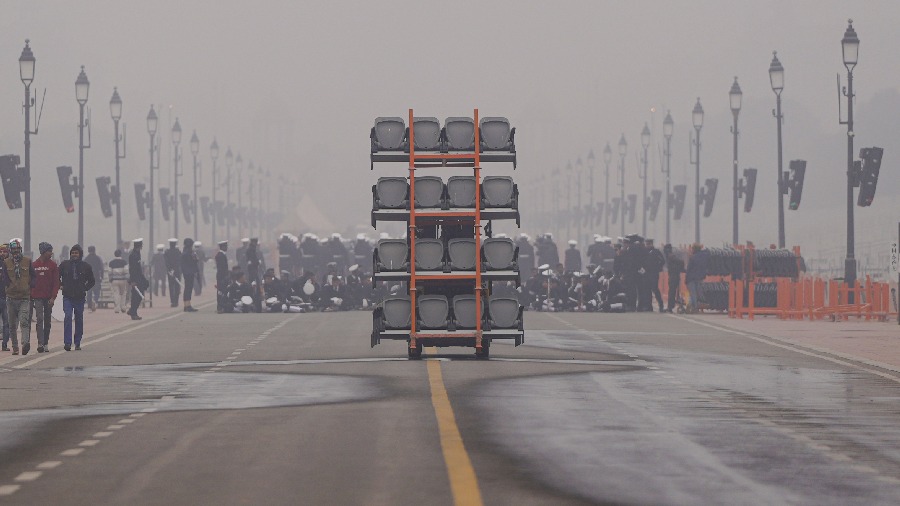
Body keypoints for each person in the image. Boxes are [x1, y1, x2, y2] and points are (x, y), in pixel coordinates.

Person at [58, 244, 95, 351]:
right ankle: (67, 342)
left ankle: (77, 342)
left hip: (79, 297)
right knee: (68, 317)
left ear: (80, 254)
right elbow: (56, 275)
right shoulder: (64, 265)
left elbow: (92, 281)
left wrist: (85, 288)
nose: (74, 255)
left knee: (79, 319)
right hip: (67, 296)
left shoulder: (86, 266)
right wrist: (60, 284)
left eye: (76, 253)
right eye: (72, 253)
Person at [2, 239, 35, 355]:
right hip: (11, 297)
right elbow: (5, 277)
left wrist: (29, 285)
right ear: (10, 251)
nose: (15, 252)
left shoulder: (27, 261)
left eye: (17, 249)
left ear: (20, 249)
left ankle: (25, 343)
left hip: (24, 297)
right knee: (12, 325)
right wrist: (9, 285)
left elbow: (33, 276)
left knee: (24, 321)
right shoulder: (6, 262)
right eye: (13, 249)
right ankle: (15, 346)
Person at [31, 242, 60, 353]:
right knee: (40, 319)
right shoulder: (34, 265)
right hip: (37, 297)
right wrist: (31, 294)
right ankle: (40, 343)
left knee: (47, 320)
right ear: (43, 252)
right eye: (49, 251)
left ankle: (46, 342)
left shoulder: (53, 265)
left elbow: (55, 283)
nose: (51, 253)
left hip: (48, 297)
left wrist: (53, 297)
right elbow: (31, 282)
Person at [685, 243, 710, 313]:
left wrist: (686, 280)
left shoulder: (692, 258)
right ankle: (690, 306)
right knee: (697, 293)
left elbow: (689, 269)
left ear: (694, 249)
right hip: (700, 277)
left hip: (691, 278)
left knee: (693, 293)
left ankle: (695, 308)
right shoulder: (704, 256)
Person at [128, 238, 149, 320]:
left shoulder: (137, 253)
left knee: (140, 294)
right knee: (136, 296)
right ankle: (133, 312)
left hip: (139, 277)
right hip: (135, 278)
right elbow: (132, 269)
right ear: (140, 246)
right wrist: (133, 281)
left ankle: (132, 310)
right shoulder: (133, 255)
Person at [642, 239, 666, 312]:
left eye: (648, 244)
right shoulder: (644, 252)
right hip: (646, 273)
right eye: (646, 244)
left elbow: (662, 261)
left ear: (651, 244)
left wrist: (657, 268)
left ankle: (661, 305)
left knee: (655, 289)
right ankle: (649, 306)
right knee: (647, 290)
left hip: (654, 273)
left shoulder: (656, 252)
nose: (647, 245)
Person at [664, 244, 685, 313]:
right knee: (673, 292)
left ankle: (670, 307)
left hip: (673, 276)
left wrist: (680, 268)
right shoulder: (670, 256)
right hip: (674, 275)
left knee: (672, 292)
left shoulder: (670, 256)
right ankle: (671, 306)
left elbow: (681, 261)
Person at [83, 245, 104, 312]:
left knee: (89, 292)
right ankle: (95, 301)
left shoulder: (86, 259)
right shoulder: (98, 258)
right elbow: (101, 268)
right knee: (96, 291)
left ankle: (89, 305)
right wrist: (102, 276)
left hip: (88, 278)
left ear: (88, 251)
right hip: (96, 277)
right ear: (94, 250)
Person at [181, 238, 199, 312]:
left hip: (186, 273)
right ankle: (187, 305)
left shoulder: (184, 252)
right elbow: (194, 261)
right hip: (190, 272)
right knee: (188, 289)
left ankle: (186, 305)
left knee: (187, 289)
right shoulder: (189, 252)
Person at [108, 249, 129, 313]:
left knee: (116, 293)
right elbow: (126, 271)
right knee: (123, 293)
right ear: (120, 254)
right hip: (122, 280)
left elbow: (109, 272)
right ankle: (123, 307)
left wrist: (111, 278)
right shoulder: (124, 262)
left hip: (114, 280)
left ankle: (117, 307)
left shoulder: (111, 262)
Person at [164, 238, 182, 307]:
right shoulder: (178, 252)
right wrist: (175, 269)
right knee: (177, 286)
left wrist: (170, 269)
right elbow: (179, 261)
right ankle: (176, 301)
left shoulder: (167, 252)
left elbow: (166, 262)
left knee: (171, 286)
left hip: (170, 272)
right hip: (177, 271)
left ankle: (172, 301)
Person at [0, 245, 10, 352]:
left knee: (6, 322)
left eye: (4, 251)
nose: (2, 253)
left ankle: (5, 344)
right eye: (1, 251)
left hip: (6, 297)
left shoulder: (10, 264)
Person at [215, 240, 229, 313]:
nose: (227, 247)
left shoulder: (222, 255)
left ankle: (221, 306)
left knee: (223, 291)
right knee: (220, 291)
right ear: (222, 247)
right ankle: (220, 307)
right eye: (225, 246)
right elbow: (221, 268)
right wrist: (225, 276)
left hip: (222, 275)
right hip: (221, 276)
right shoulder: (220, 255)